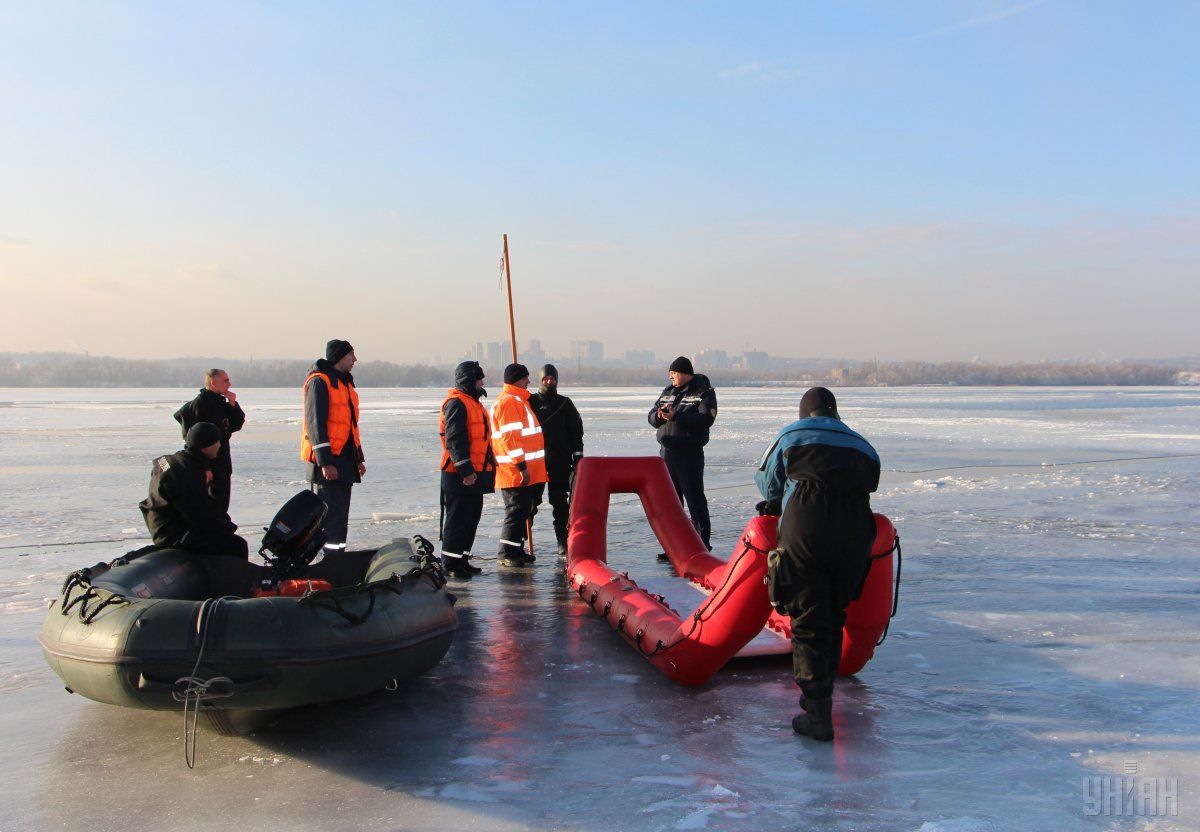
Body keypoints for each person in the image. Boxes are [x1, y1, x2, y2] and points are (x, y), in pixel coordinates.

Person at [754, 387, 880, 742]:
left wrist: (780, 503)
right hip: (855, 531)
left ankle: (816, 712)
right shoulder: (863, 445)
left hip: (808, 526)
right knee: (834, 615)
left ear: (804, 411)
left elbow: (768, 484)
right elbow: (870, 483)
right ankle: (823, 699)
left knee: (808, 619)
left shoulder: (791, 435)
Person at [139, 422, 249, 558]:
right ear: (206, 446)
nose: (220, 445)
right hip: (172, 534)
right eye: (216, 442)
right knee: (237, 545)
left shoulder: (173, 461)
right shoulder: (187, 474)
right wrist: (227, 528)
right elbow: (198, 516)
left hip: (163, 525)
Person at [301, 339, 365, 555]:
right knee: (330, 516)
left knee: (341, 515)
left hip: (345, 461)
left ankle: (337, 559)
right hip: (329, 462)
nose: (355, 359)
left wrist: (358, 459)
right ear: (339, 357)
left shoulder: (344, 384)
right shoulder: (320, 382)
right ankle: (330, 561)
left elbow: (350, 427)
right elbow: (315, 424)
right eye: (351, 355)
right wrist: (325, 462)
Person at [647, 356, 717, 552]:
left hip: (689, 454)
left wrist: (676, 416)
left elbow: (705, 419)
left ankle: (701, 545)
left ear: (685, 373)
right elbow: (651, 416)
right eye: (669, 374)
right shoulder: (668, 392)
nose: (670, 377)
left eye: (674, 373)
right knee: (671, 502)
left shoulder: (703, 392)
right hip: (667, 453)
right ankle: (674, 546)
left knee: (694, 499)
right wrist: (659, 416)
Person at [438, 360, 496, 578]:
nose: (483, 383)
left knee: (471, 519)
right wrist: (465, 470)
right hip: (459, 475)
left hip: (476, 472)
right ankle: (450, 564)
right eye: (479, 379)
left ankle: (461, 559)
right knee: (458, 519)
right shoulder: (457, 404)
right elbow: (455, 439)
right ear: (469, 380)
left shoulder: (473, 403)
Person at [489, 363, 548, 567]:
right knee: (515, 511)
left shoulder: (519, 401)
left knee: (523, 511)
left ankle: (516, 549)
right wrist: (521, 466)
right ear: (517, 380)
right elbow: (511, 439)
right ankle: (506, 553)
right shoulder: (509, 403)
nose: (529, 382)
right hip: (514, 470)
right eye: (525, 378)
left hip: (525, 469)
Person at [528, 363, 584, 558]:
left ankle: (563, 541)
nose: (549, 382)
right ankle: (520, 541)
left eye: (552, 379)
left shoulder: (565, 403)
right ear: (540, 380)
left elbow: (576, 430)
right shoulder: (530, 402)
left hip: (559, 461)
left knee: (560, 504)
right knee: (530, 504)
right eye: (546, 379)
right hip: (535, 462)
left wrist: (578, 455)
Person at [173, 368, 245, 513]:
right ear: (213, 382)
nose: (229, 384)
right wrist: (205, 467)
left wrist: (233, 404)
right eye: (225, 380)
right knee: (209, 507)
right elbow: (194, 442)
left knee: (221, 504)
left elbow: (235, 425)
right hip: (206, 466)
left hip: (222, 462)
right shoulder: (200, 405)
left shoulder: (220, 402)